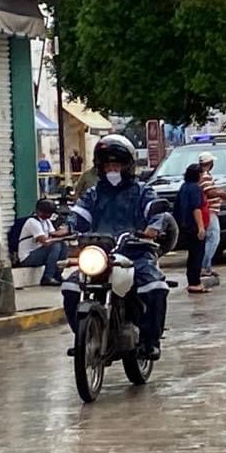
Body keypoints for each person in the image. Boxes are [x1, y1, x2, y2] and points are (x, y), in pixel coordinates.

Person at [63, 135, 170, 359]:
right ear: (100, 167)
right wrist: (65, 228)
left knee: (155, 288)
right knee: (71, 288)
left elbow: (156, 211)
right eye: (108, 165)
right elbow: (78, 215)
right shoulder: (94, 194)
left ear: (127, 166)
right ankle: (85, 339)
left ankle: (151, 340)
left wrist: (153, 228)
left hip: (135, 253)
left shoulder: (142, 191)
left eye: (117, 164)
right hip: (100, 253)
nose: (112, 169)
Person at [15, 199, 65, 285]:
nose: (49, 215)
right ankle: (47, 277)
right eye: (47, 213)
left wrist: (67, 233)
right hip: (27, 257)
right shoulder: (32, 222)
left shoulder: (46, 222)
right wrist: (59, 239)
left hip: (38, 253)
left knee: (63, 246)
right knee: (55, 246)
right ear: (39, 211)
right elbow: (46, 242)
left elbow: (53, 234)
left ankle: (57, 275)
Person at [177, 163, 209, 294]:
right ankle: (195, 283)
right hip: (193, 226)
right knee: (197, 255)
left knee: (192, 255)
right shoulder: (196, 189)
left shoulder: (184, 187)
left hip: (184, 226)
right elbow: (196, 208)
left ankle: (193, 281)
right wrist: (201, 227)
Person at [198, 151, 223, 280]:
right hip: (210, 211)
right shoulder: (205, 176)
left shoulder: (201, 175)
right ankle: (204, 267)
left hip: (209, 211)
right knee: (213, 238)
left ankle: (206, 266)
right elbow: (210, 192)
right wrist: (222, 193)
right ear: (210, 163)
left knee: (209, 239)